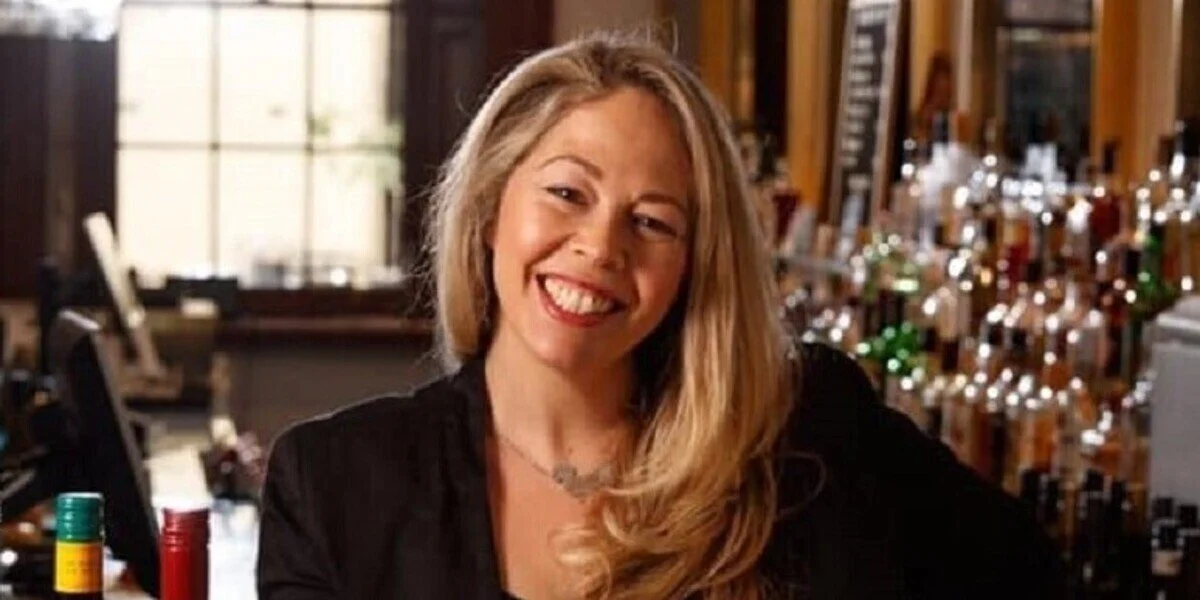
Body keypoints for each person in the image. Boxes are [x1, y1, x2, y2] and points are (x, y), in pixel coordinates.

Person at [257, 33, 1064, 599]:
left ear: (692, 266)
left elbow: (1028, 570)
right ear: (489, 210)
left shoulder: (805, 432)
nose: (601, 246)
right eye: (567, 193)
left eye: (653, 221)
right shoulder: (333, 485)